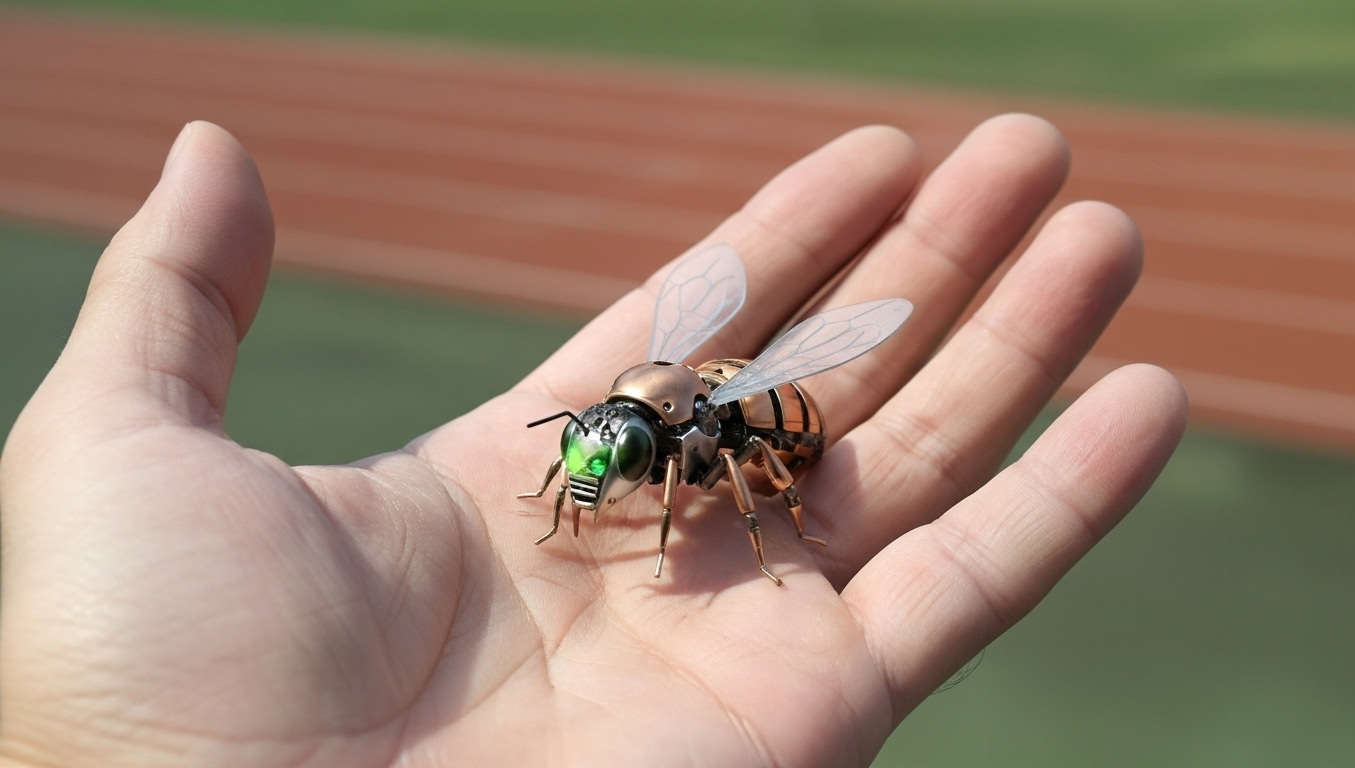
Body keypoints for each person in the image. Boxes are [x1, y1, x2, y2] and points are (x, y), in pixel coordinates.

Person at [0, 117, 1185, 767]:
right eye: (592, 452)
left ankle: (773, 527)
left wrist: (763, 537)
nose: (594, 461)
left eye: (603, 451)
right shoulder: (612, 428)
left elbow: (694, 456)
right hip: (691, 392)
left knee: (740, 460)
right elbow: (608, 439)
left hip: (763, 414)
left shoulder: (678, 448)